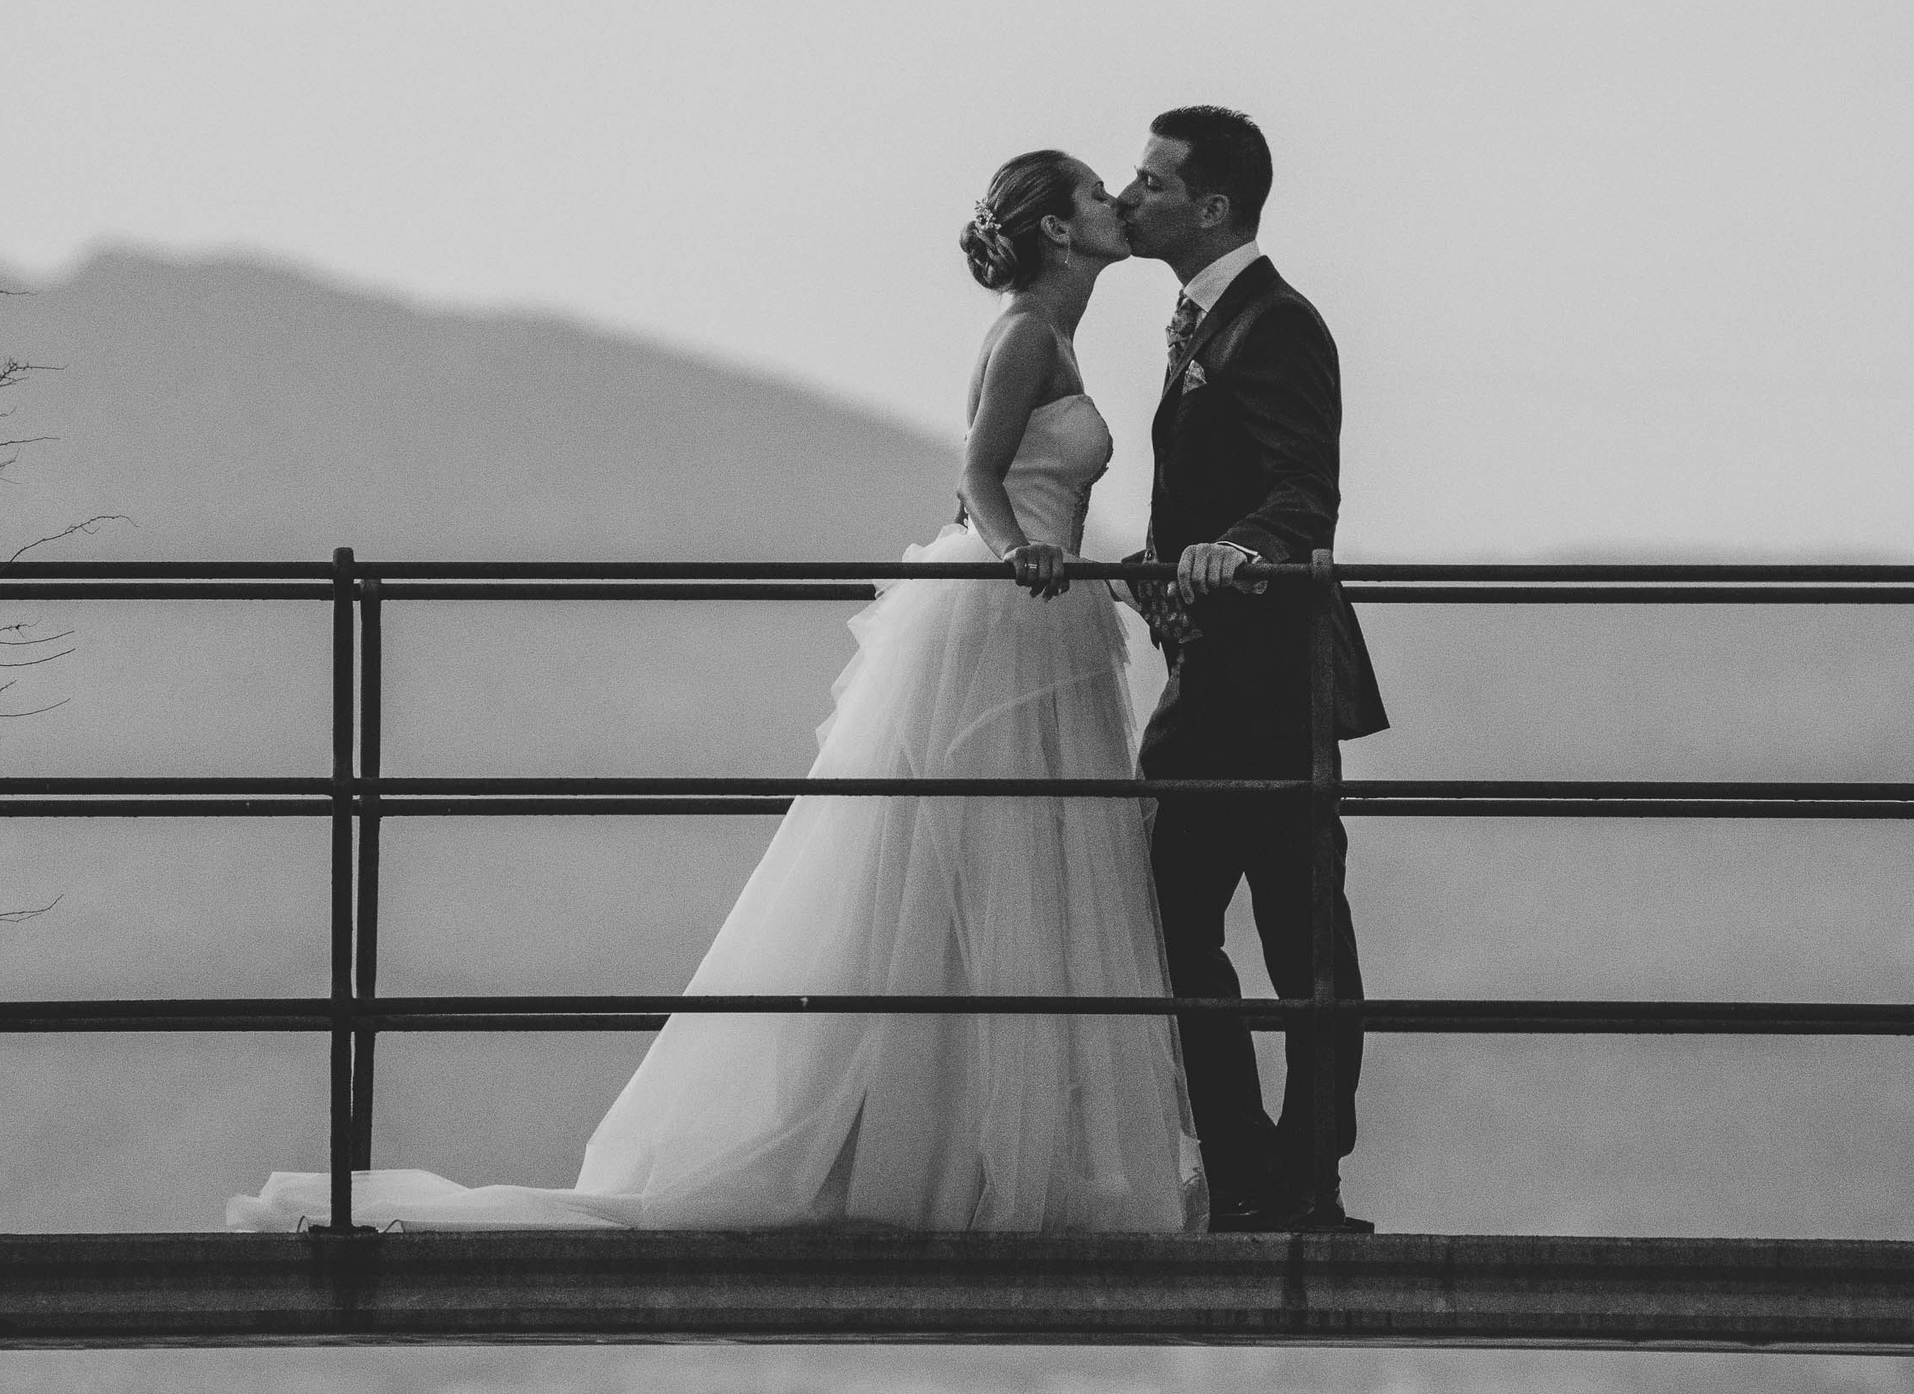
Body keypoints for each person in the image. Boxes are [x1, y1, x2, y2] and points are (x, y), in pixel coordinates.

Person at [228, 150, 1206, 1233]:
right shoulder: (1026, 333)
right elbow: (975, 476)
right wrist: (1025, 552)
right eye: (1093, 193)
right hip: (1011, 614)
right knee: (970, 872)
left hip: (1048, 617)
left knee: (1016, 879)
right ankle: (925, 1156)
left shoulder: (1054, 334)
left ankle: (979, 1152)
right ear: (1060, 230)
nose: (1115, 201)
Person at [1118, 105, 1388, 1234]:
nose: (1129, 199)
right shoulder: (1202, 324)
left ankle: (1302, 1176)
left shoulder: (1275, 324)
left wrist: (1246, 551)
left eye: (1150, 183)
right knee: (1174, 923)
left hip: (1272, 682)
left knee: (1299, 937)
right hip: (1208, 673)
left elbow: (1301, 493)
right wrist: (1158, 567)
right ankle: (1245, 1169)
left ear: (1211, 206)